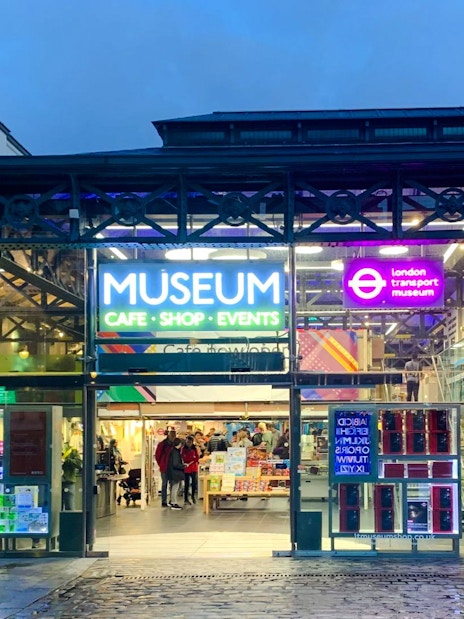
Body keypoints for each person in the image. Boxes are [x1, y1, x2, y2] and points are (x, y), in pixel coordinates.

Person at [155, 430, 176, 507]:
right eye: (172, 435)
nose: (173, 437)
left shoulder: (174, 444)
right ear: (168, 435)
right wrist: (161, 464)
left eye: (174, 436)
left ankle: (171, 500)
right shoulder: (162, 444)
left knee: (172, 484)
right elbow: (157, 455)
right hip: (165, 467)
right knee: (164, 484)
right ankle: (164, 501)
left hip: (173, 468)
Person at [61, 446, 82, 510]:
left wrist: (66, 460)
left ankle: (69, 519)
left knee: (69, 507)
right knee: (56, 508)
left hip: (68, 482)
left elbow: (79, 464)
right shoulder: (51, 449)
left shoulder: (71, 451)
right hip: (55, 483)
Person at [167, 437, 185, 510]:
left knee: (174, 487)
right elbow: (175, 464)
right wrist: (183, 466)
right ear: (180, 444)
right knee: (175, 487)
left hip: (172, 472)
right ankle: (174, 502)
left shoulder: (172, 451)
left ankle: (172, 501)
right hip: (176, 473)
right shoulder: (175, 452)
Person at [181, 435, 200, 505]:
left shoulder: (194, 448)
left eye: (190, 442)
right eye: (187, 442)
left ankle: (193, 496)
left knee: (194, 483)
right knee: (187, 483)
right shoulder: (183, 449)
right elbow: (183, 457)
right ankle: (186, 498)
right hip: (187, 468)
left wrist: (193, 460)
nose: (188, 443)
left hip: (193, 467)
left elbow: (197, 458)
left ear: (192, 442)